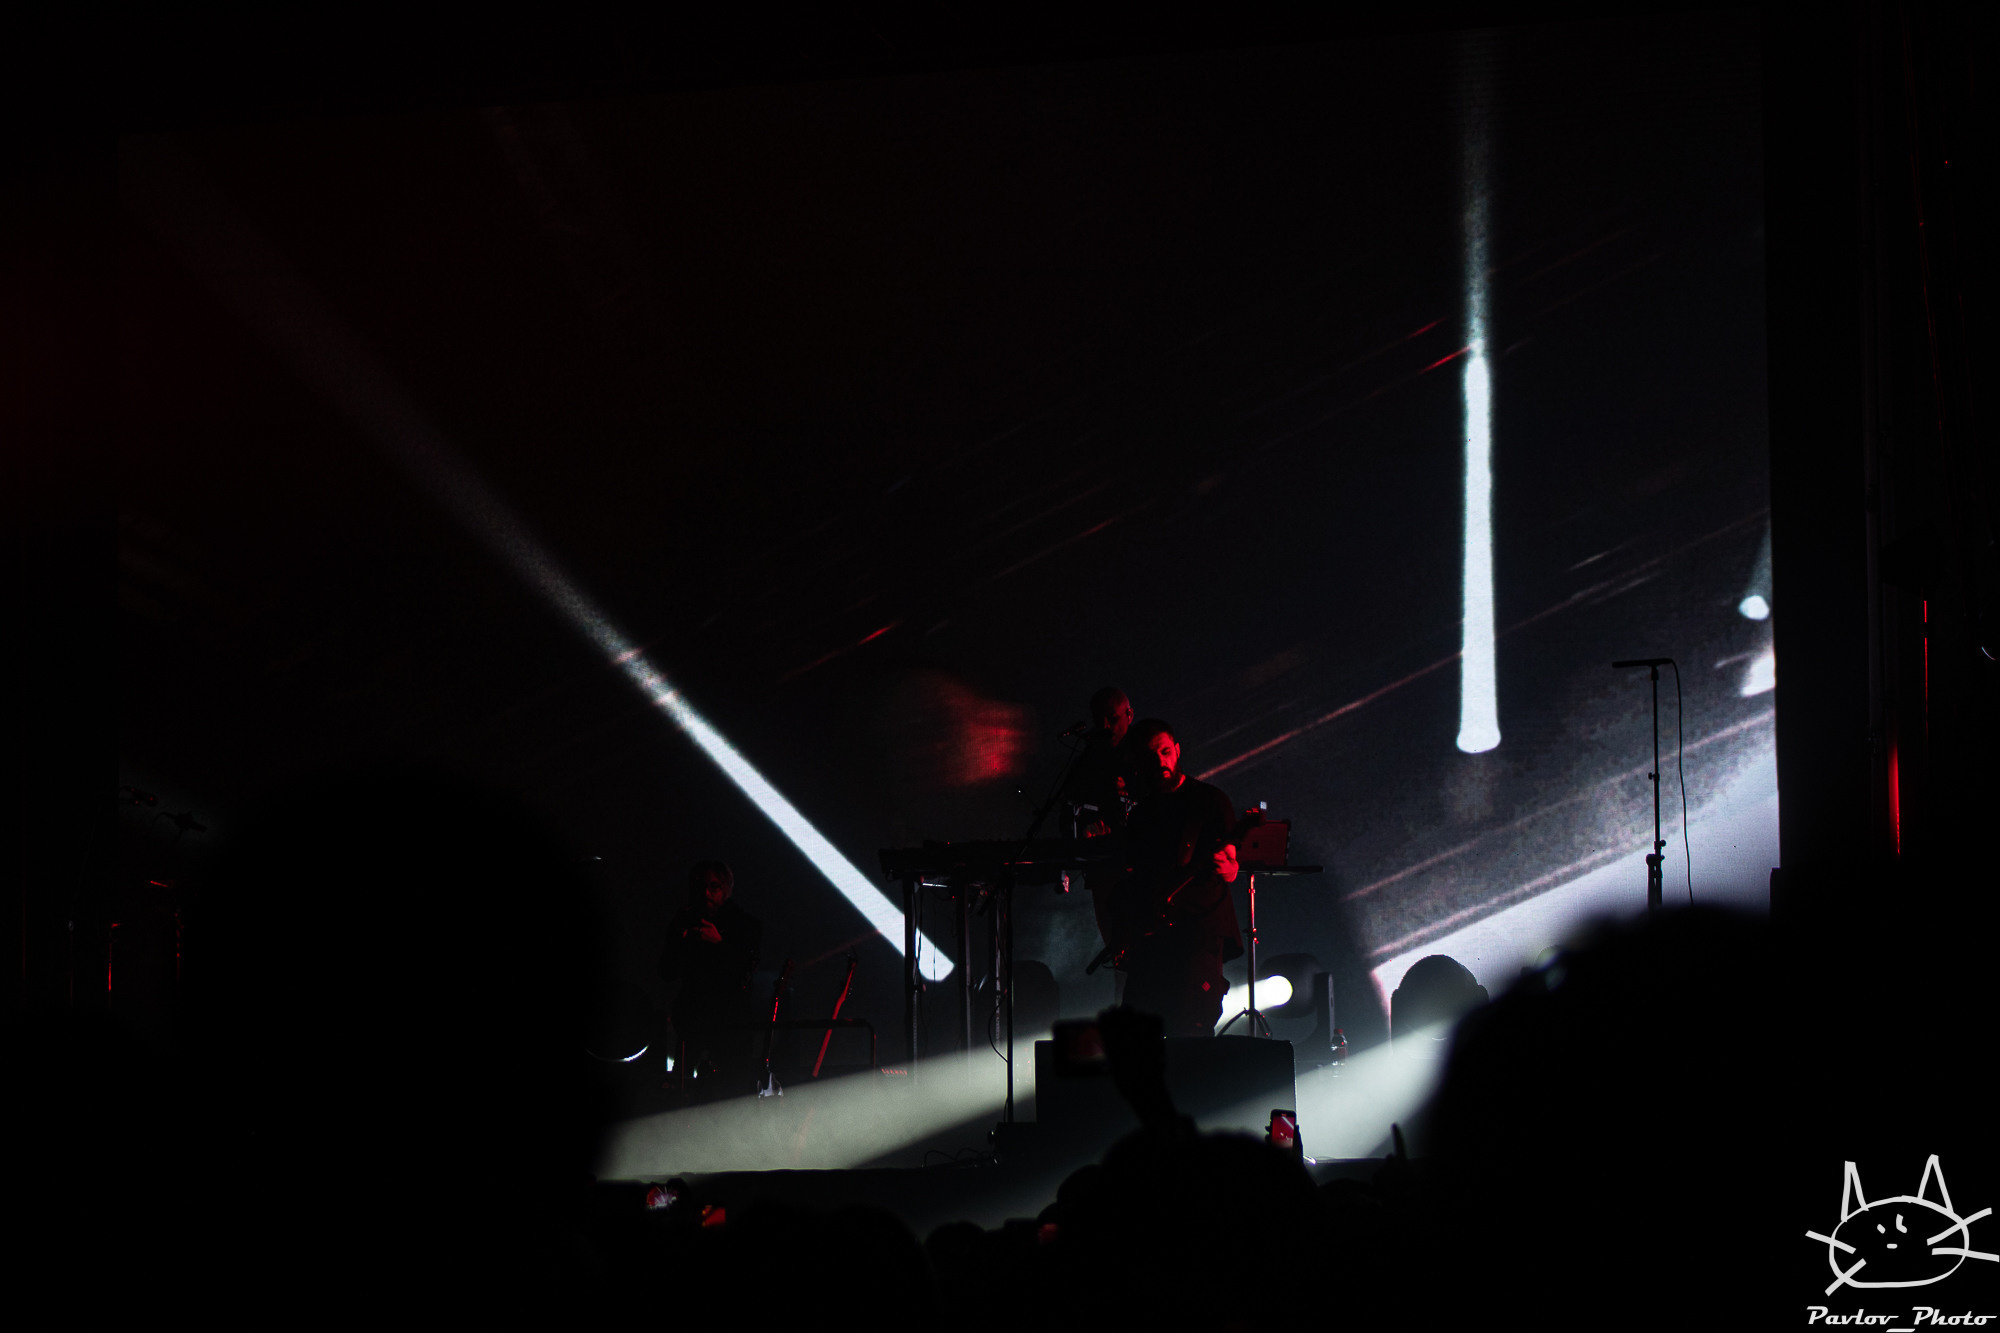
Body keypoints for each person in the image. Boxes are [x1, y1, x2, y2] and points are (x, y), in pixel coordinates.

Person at [1111, 719, 1244, 1037]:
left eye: (1166, 752)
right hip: (1154, 934)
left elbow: (1231, 863)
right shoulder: (1142, 813)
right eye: (1152, 756)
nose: (1161, 762)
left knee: (1191, 1030)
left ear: (1177, 751)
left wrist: (1228, 866)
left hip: (1198, 930)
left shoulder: (1209, 800)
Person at [658, 860, 763, 1091]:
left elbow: (745, 971)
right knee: (681, 1087)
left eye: (713, 887)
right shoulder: (684, 920)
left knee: (729, 1088)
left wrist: (719, 944)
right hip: (692, 1021)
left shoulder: (745, 925)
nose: (706, 893)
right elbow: (665, 971)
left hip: (731, 1025)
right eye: (700, 887)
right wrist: (684, 942)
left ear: (726, 889)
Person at [1062, 687, 1138, 955]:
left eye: (1112, 718)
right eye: (1100, 719)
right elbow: (1070, 803)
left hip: (1138, 868)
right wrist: (1086, 832)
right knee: (1116, 952)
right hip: (1104, 869)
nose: (1105, 726)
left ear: (1129, 714)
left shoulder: (1143, 754)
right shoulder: (1091, 758)